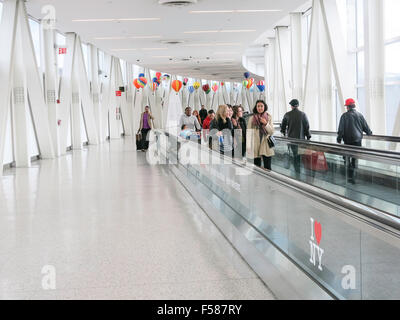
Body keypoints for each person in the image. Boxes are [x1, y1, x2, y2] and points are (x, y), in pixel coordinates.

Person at [337, 98, 373, 184]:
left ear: (348, 107)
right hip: (357, 141)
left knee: (347, 157)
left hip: (348, 141)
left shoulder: (344, 116)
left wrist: (339, 138)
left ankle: (349, 175)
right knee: (355, 158)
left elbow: (341, 129)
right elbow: (365, 127)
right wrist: (369, 132)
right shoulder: (359, 115)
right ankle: (353, 176)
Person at [281, 99, 311, 176]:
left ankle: (296, 172)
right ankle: (299, 171)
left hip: (291, 140)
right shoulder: (303, 114)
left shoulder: (287, 114)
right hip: (301, 140)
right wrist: (308, 137)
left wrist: (284, 133)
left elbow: (283, 126)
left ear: (291, 106)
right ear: (298, 105)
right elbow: (306, 126)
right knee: (300, 156)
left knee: (295, 155)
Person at [247, 100, 274, 170]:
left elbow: (271, 132)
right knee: (256, 167)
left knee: (268, 167)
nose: (260, 108)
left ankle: (268, 181)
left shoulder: (269, 117)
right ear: (256, 107)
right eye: (258, 106)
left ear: (264, 107)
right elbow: (249, 133)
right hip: (255, 146)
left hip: (266, 145)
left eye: (261, 106)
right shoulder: (252, 118)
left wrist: (266, 124)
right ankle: (256, 181)